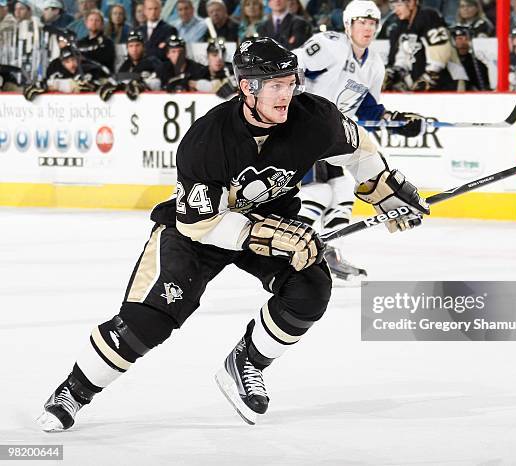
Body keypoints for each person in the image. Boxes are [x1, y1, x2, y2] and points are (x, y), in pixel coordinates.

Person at [36, 37, 429, 431]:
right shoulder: (207, 139)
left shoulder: (314, 118)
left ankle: (246, 363)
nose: (286, 94)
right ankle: (73, 391)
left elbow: (358, 149)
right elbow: (200, 223)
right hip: (196, 232)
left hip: (269, 219)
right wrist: (275, 236)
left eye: (291, 83)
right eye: (275, 85)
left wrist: (384, 189)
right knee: (148, 321)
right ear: (248, 87)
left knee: (310, 288)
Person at [293, 0, 425, 281]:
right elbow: (294, 64)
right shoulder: (330, 44)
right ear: (348, 25)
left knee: (341, 190)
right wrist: (298, 104)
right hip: (301, 129)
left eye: (372, 23)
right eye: (361, 22)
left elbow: (369, 109)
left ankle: (330, 252)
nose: (367, 28)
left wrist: (397, 121)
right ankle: (288, 252)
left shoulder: (375, 64)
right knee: (319, 193)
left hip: (331, 135)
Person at [385, 0, 467, 91]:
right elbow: (403, 55)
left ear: (412, 3)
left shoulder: (429, 16)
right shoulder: (402, 24)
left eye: (399, 5)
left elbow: (441, 53)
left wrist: (429, 76)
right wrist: (396, 72)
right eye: (393, 6)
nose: (395, 10)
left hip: (448, 81)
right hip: (424, 82)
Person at [98, 29, 161, 100]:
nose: (134, 49)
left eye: (137, 45)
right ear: (127, 48)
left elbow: (159, 83)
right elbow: (118, 82)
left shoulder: (153, 62)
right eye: (131, 46)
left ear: (143, 47)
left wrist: (144, 84)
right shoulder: (125, 66)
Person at [449, 25, 490, 90]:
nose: (463, 42)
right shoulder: (448, 61)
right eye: (459, 39)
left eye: (466, 39)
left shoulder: (476, 63)